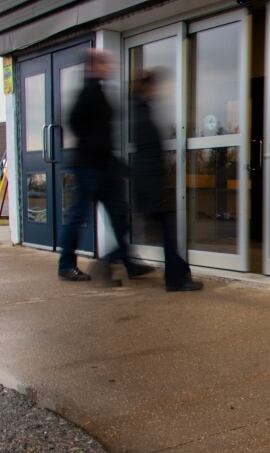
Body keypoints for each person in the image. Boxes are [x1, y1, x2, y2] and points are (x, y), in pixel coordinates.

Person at [58, 49, 153, 283]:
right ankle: (66, 265)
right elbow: (74, 122)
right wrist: (94, 148)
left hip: (104, 167)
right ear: (93, 66)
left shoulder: (99, 91)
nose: (110, 66)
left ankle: (130, 263)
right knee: (78, 217)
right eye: (104, 62)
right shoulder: (87, 92)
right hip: (88, 167)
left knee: (120, 216)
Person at [131, 69, 202, 291]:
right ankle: (176, 278)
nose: (158, 90)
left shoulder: (141, 111)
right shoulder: (141, 115)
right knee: (168, 233)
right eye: (155, 86)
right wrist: (156, 187)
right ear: (148, 88)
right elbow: (148, 156)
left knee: (165, 233)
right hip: (149, 185)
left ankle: (179, 275)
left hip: (147, 185)